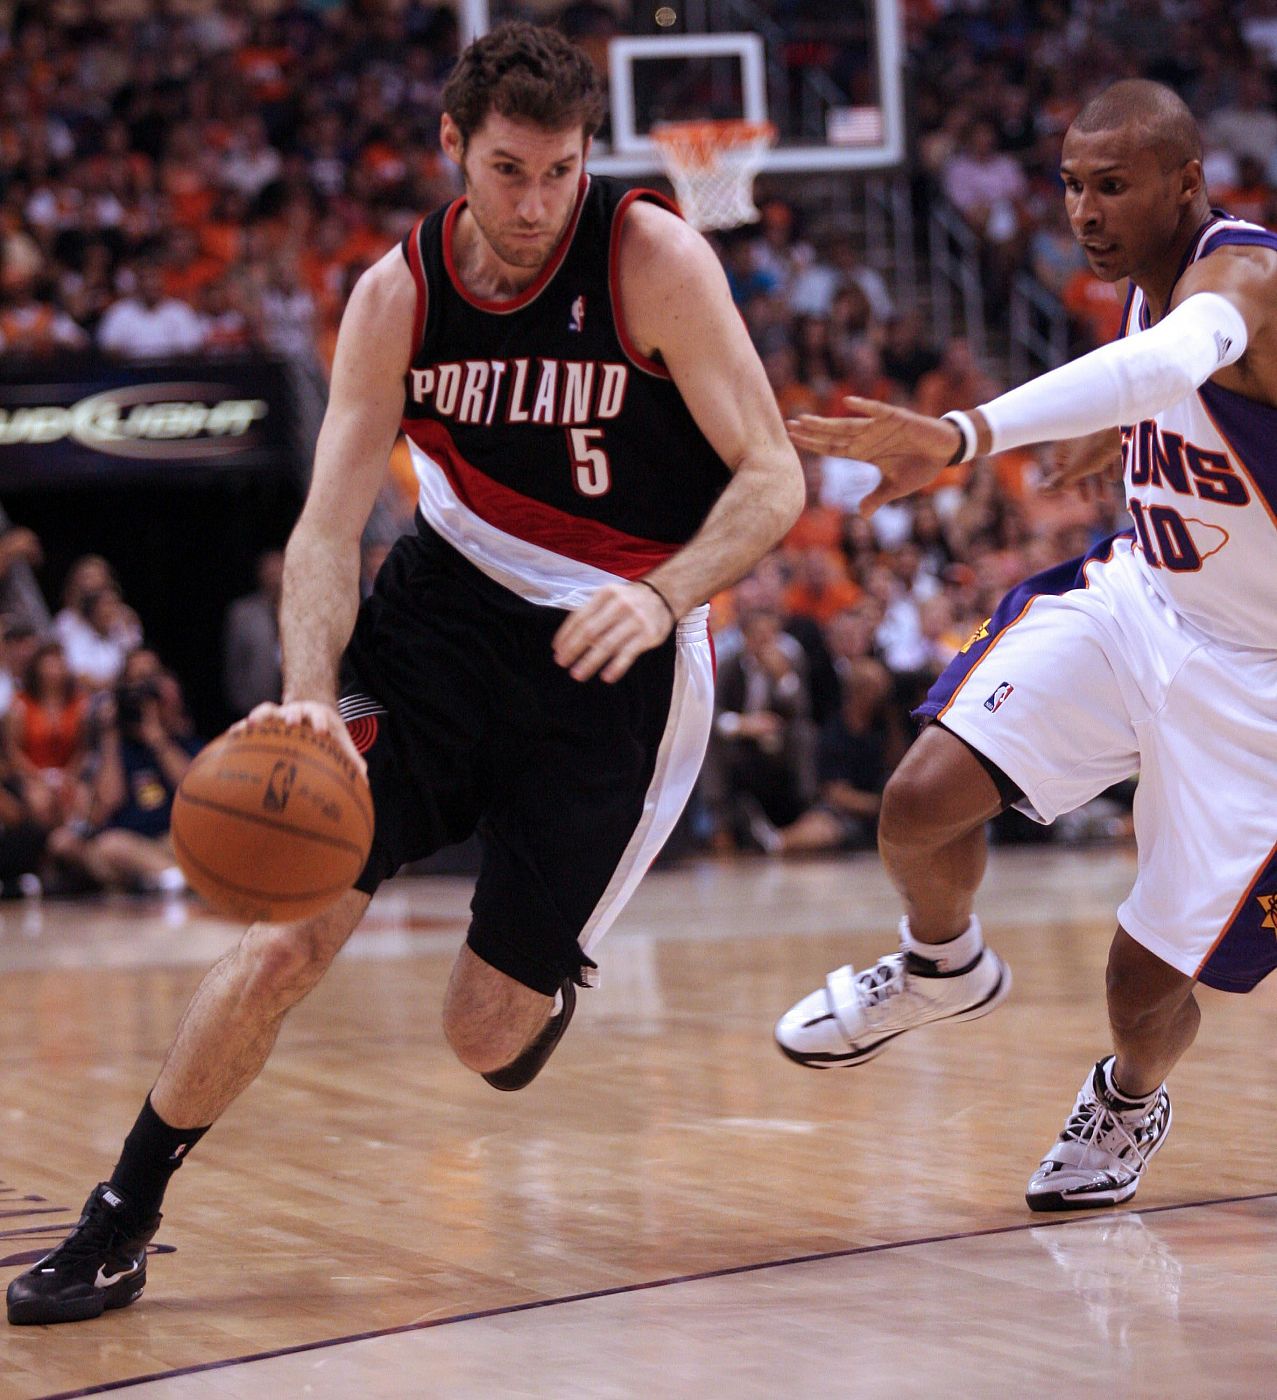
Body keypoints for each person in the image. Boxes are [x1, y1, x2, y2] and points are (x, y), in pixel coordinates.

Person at [6, 22, 803, 1326]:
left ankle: (538, 982)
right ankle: (120, 1217)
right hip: (441, 617)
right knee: (288, 934)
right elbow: (325, 527)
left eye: (559, 171)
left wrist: (663, 597)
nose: (537, 202)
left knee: (482, 1037)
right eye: (506, 170)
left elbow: (772, 475)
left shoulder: (652, 259)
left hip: (622, 650)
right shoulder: (400, 293)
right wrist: (312, 698)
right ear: (452, 150)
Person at [774, 80, 1277, 1213]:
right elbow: (1158, 378)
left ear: (1185, 184)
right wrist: (1120, 425)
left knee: (1139, 987)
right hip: (1140, 605)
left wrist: (963, 432)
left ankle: (1127, 1093)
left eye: (1113, 186)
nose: (1084, 211)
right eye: (1070, 186)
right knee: (918, 798)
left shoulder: (1242, 276)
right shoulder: (1145, 295)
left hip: (1259, 688)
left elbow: (1179, 359)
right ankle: (939, 962)